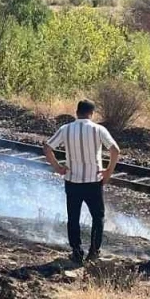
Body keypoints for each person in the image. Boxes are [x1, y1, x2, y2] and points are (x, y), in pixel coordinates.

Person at [43, 99, 121, 263]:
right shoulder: (98, 129)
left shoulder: (65, 129)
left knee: (73, 217)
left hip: (72, 181)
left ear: (77, 112)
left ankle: (76, 251)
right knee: (98, 217)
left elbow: (47, 148)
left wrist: (58, 167)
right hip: (93, 181)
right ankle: (94, 251)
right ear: (91, 113)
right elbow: (115, 150)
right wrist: (108, 172)